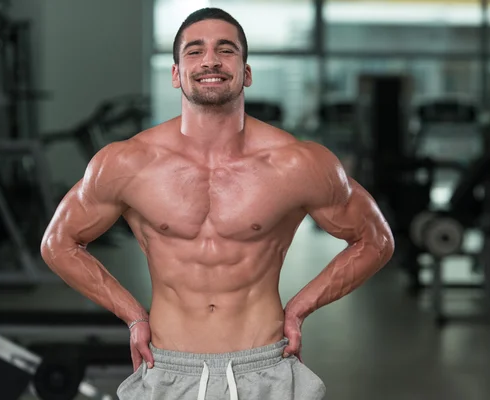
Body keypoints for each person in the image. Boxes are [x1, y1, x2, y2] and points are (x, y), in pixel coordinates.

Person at [40, 7, 394, 400]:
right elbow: (58, 243)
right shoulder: (128, 163)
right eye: (194, 51)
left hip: (264, 367)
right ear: (176, 73)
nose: (210, 60)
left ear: (246, 72)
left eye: (226, 50)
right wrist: (133, 315)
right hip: (167, 369)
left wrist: (299, 307)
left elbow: (376, 239)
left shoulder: (299, 163)